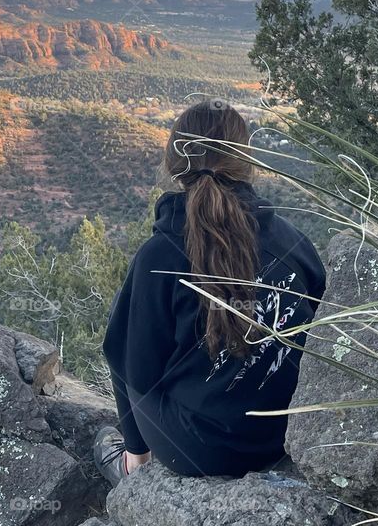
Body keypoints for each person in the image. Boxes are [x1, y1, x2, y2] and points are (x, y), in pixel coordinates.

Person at [95, 100, 326, 486]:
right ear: (245, 162)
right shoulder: (287, 237)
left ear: (174, 163)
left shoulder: (160, 257)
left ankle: (129, 466)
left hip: (200, 450)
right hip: (282, 432)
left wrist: (138, 447)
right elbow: (320, 310)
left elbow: (129, 361)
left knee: (125, 348)